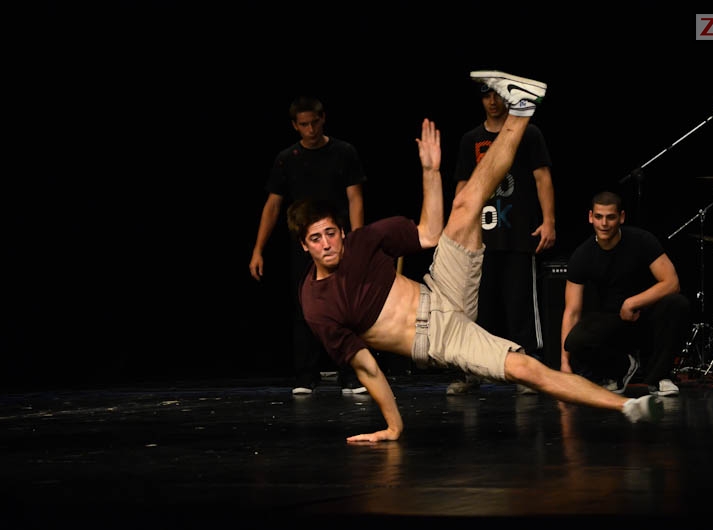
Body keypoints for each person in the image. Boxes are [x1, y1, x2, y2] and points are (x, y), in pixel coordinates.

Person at [286, 71, 664, 443]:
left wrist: (431, 172)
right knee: (526, 369)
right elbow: (367, 368)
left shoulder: (362, 242)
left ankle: (522, 108)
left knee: (466, 202)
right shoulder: (317, 304)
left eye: (331, 233)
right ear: (305, 246)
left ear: (341, 230)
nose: (327, 243)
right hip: (439, 338)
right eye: (316, 239)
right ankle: (628, 406)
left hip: (439, 289)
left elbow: (429, 234)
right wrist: (394, 425)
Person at [249, 95, 367, 395]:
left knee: (346, 305)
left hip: (337, 240)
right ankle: (305, 374)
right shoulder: (287, 158)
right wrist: (258, 249)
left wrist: (357, 239)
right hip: (304, 246)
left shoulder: (343, 152)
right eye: (304, 125)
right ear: (295, 126)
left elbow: (355, 198)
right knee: (304, 307)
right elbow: (272, 205)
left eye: (315, 122)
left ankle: (351, 373)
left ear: (323, 118)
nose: (311, 129)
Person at [446, 79, 556, 395]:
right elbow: (462, 184)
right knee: (476, 306)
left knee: (519, 304)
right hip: (480, 237)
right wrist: (456, 227)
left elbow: (542, 177)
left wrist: (549, 221)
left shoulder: (528, 133)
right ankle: (472, 369)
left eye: (498, 95)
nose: (493, 102)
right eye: (486, 96)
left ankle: (528, 370)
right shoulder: (471, 139)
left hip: (518, 232)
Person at [560, 191, 690, 397]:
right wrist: (564, 363)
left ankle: (659, 378)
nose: (604, 223)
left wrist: (633, 302)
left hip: (647, 317)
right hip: (614, 323)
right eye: (599, 217)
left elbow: (672, 282)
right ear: (590, 217)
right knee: (575, 341)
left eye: (610, 217)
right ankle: (620, 370)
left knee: (677, 304)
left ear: (621, 217)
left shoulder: (642, 240)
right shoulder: (582, 255)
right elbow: (572, 311)